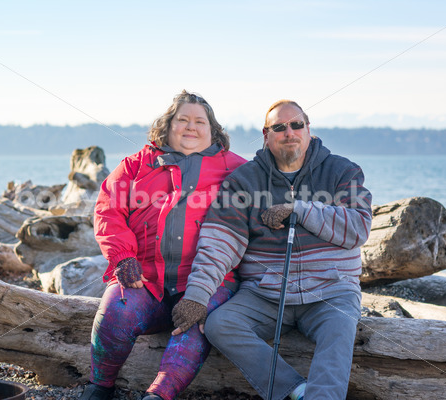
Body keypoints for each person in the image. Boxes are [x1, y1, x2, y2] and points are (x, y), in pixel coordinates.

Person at [172, 100, 372, 400]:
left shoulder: (342, 171)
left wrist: (300, 210)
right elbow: (219, 243)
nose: (288, 132)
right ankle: (295, 390)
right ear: (266, 135)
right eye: (279, 127)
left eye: (296, 125)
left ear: (309, 130)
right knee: (219, 324)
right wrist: (197, 297)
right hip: (266, 294)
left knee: (340, 330)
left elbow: (358, 228)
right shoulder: (244, 181)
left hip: (331, 291)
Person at [80, 90, 246, 400]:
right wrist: (122, 257)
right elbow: (108, 210)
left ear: (213, 130)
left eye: (200, 121)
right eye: (182, 120)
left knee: (198, 325)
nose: (190, 127)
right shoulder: (136, 165)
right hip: (146, 278)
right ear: (167, 126)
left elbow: (265, 205)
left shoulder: (237, 169)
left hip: (209, 283)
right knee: (117, 308)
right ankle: (99, 387)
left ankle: (158, 395)